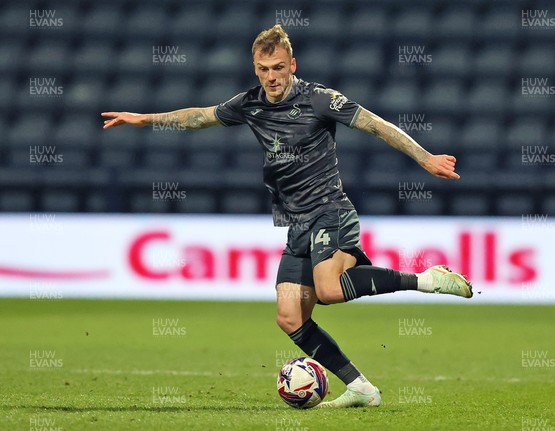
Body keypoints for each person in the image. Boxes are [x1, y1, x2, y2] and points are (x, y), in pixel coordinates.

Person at [102, 24, 472, 408]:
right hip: (297, 223)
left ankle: (425, 280)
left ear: (292, 64)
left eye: (278, 67)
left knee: (328, 289)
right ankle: (362, 388)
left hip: (331, 211)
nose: (271, 77)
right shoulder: (250, 103)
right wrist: (142, 119)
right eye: (263, 69)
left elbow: (377, 126)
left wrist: (425, 158)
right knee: (290, 317)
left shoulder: (320, 99)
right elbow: (199, 117)